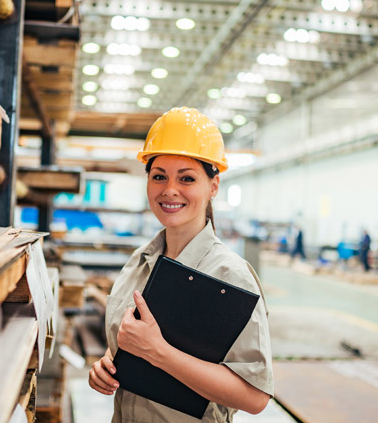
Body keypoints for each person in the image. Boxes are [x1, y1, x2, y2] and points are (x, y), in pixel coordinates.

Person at [88, 107, 274, 422]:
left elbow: (254, 396)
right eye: (159, 176)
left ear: (213, 186)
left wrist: (158, 352)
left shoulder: (230, 276)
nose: (169, 189)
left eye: (186, 178)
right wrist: (105, 365)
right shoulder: (140, 262)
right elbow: (125, 345)